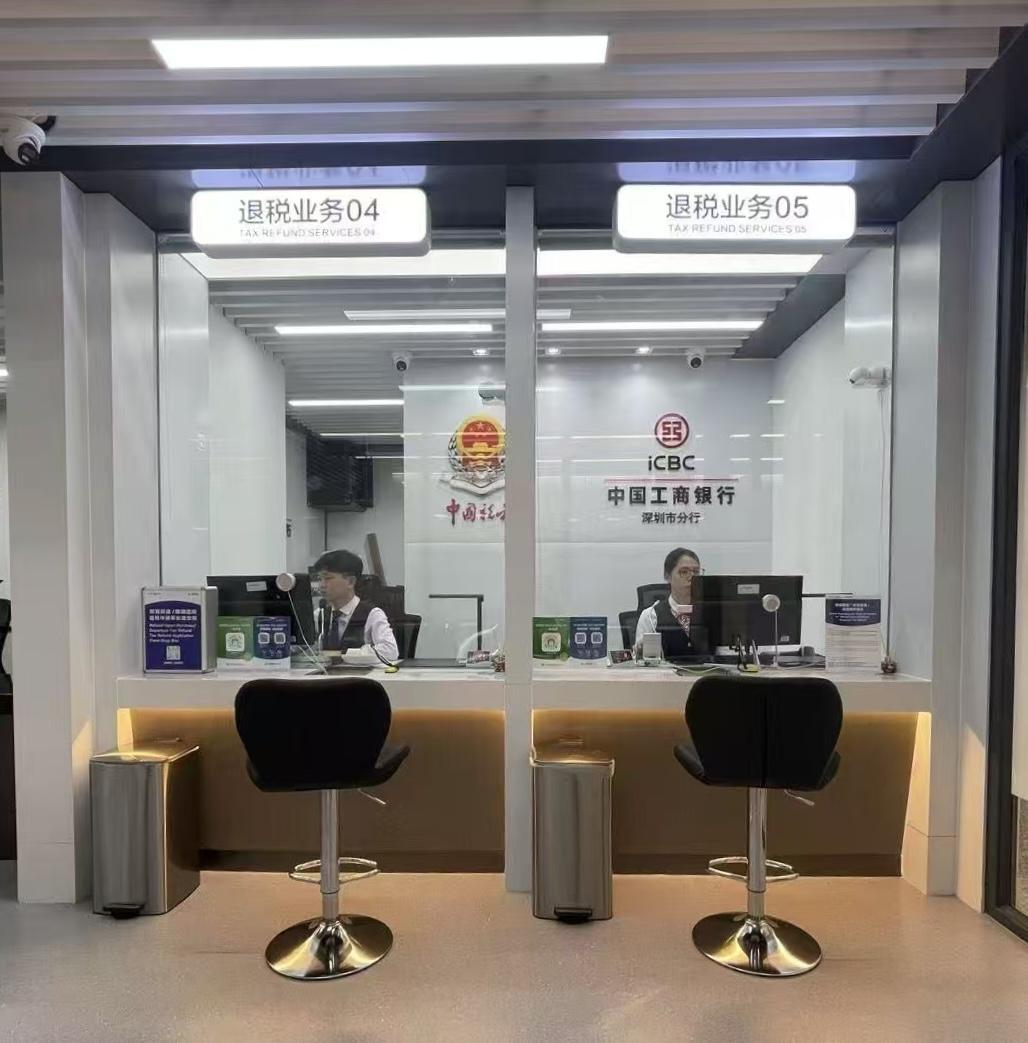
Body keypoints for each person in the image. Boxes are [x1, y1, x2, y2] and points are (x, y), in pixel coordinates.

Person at [312, 549, 399, 662]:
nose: (321, 585)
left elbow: (390, 651)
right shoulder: (319, 614)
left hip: (358, 673)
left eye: (328, 578)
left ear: (350, 582)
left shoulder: (372, 614)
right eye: (319, 579)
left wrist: (346, 654)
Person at [635, 547, 704, 658]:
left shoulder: (712, 612)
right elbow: (643, 660)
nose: (691, 577)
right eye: (684, 572)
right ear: (667, 576)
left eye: (696, 572)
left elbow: (727, 657)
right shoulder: (651, 616)